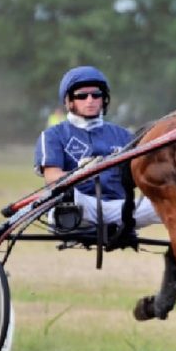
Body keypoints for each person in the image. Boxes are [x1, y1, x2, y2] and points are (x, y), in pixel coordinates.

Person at [34, 65, 160, 237]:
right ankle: (105, 226)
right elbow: (51, 178)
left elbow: (144, 177)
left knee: (172, 203)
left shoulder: (124, 136)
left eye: (96, 95)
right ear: (69, 101)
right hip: (79, 207)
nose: (90, 100)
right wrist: (82, 172)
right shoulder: (52, 135)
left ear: (104, 99)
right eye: (82, 96)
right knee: (68, 197)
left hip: (121, 208)